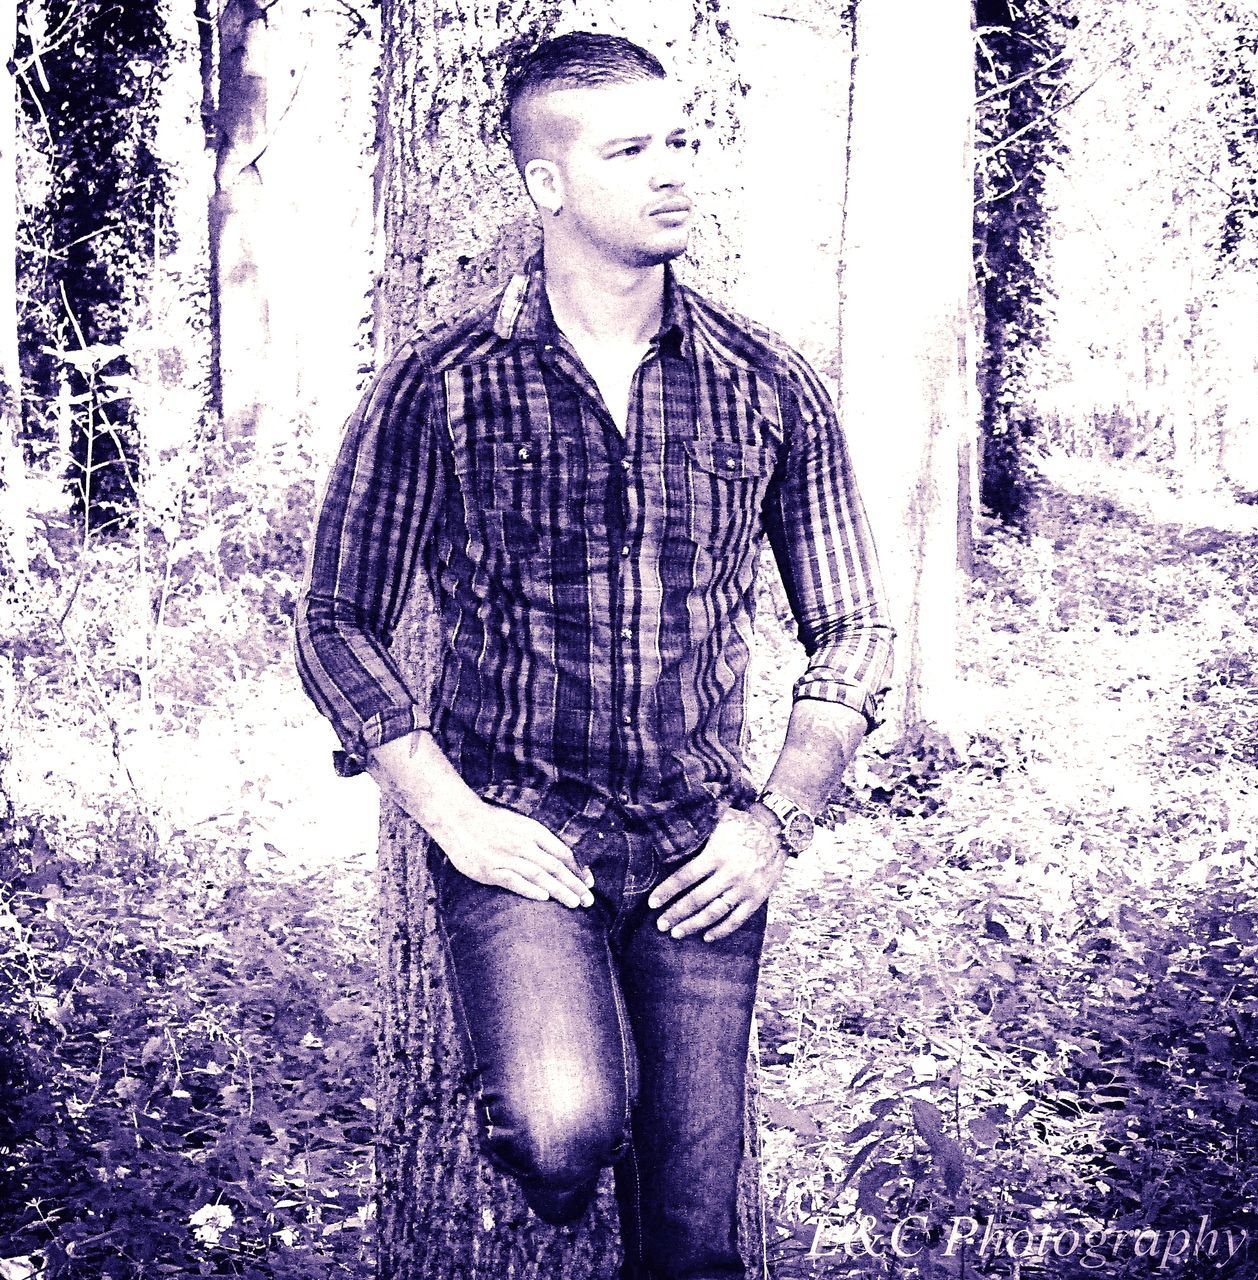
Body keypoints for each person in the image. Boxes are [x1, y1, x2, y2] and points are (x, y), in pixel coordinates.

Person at [294, 30, 894, 1280]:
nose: (673, 169)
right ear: (545, 185)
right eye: (631, 149)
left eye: (680, 140)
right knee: (566, 1129)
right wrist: (449, 814)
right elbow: (335, 618)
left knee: (693, 1240)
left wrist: (772, 821)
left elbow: (853, 626)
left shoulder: (765, 381)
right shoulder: (438, 384)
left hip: (700, 849)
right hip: (523, 835)